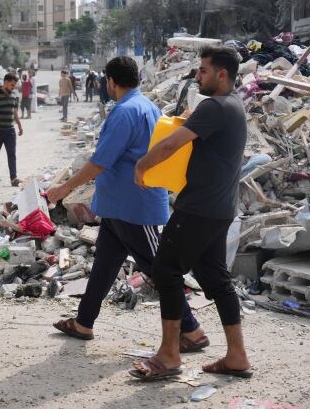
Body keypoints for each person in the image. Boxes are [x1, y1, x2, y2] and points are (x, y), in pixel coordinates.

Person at [48, 56, 208, 348]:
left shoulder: (124, 112)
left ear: (111, 81)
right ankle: (84, 322)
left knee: (160, 268)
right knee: (105, 265)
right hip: (119, 206)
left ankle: (191, 330)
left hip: (134, 206)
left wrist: (65, 188)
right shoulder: (148, 106)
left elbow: (100, 162)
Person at [130, 45, 251, 381]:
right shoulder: (234, 106)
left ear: (221, 74)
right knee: (217, 280)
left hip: (197, 208)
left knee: (166, 270)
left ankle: (169, 355)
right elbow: (191, 131)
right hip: (220, 209)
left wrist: (142, 166)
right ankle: (237, 356)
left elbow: (172, 144)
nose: (198, 76)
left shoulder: (214, 106)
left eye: (203, 71)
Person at [0, 73, 24, 186]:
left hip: (10, 131)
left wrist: (19, 125)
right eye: (12, 84)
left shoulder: (13, 95)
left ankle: (14, 178)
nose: (13, 87)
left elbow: (15, 112)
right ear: (6, 82)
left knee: (12, 154)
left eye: (14, 85)